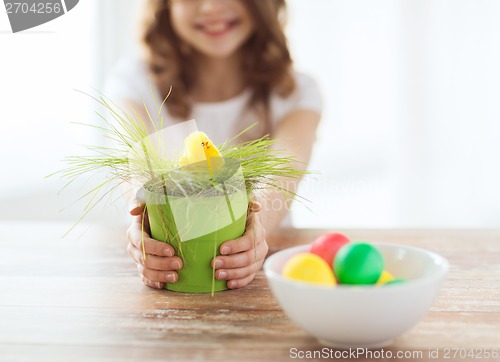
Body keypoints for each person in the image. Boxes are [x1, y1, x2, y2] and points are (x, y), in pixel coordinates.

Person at [104, 0, 322, 290]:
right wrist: (144, 220)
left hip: (267, 276)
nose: (210, 7)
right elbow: (135, 163)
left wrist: (254, 231)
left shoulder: (296, 91)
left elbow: (285, 168)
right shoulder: (133, 82)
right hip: (172, 275)